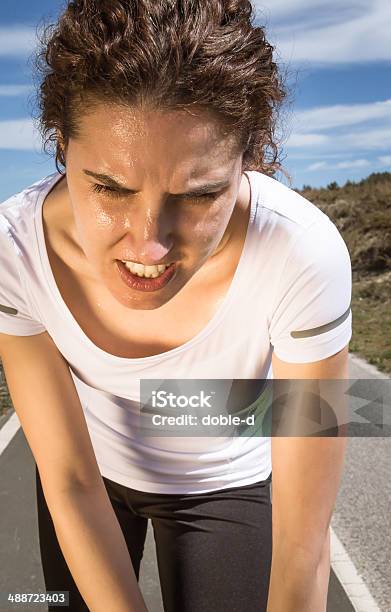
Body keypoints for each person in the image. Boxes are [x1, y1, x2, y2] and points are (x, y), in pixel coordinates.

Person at [0, 1, 352, 611]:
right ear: (60, 146)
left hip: (223, 484)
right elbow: (70, 478)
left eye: (200, 194)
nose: (149, 245)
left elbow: (301, 548)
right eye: (109, 187)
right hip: (90, 476)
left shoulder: (303, 252)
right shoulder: (13, 253)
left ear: (247, 161)